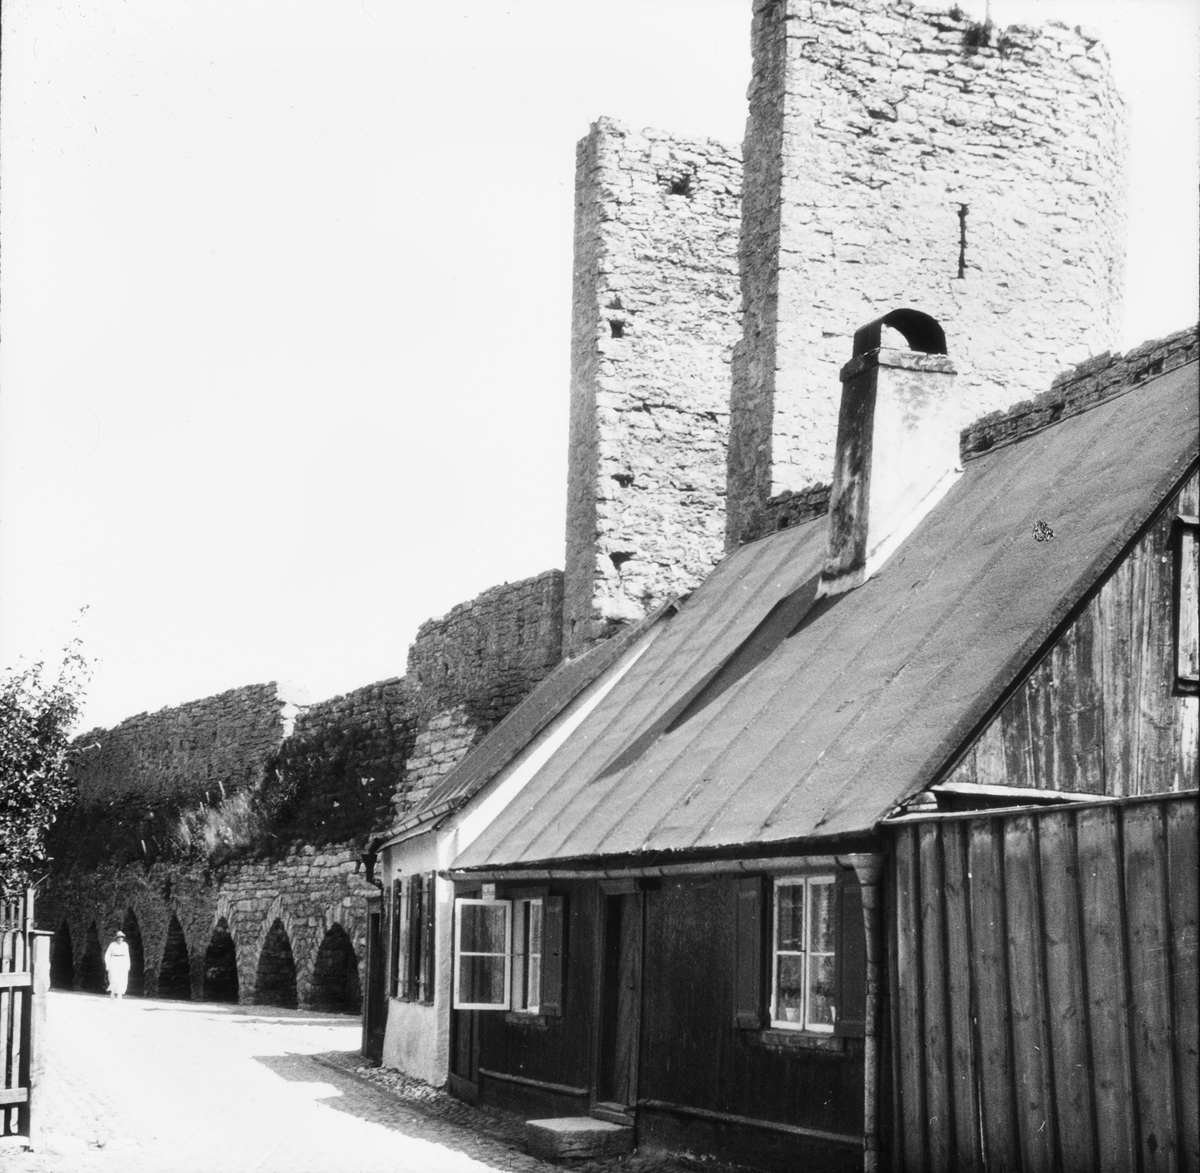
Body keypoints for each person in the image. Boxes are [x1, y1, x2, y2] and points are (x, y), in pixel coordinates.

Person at [104, 930, 131, 999]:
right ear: (116, 938)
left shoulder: (125, 945)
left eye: (121, 937)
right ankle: (112, 993)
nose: (120, 939)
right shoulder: (112, 945)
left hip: (122, 962)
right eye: (118, 937)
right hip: (114, 962)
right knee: (114, 979)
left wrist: (128, 965)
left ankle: (119, 995)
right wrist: (107, 964)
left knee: (122, 979)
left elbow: (127, 955)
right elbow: (107, 955)